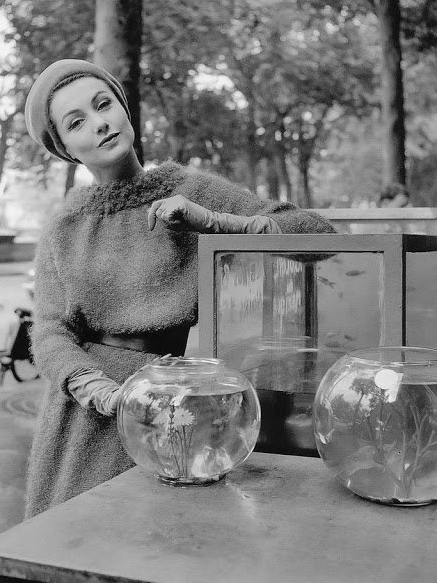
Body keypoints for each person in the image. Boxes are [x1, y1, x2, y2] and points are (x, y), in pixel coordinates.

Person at [23, 58, 336, 518]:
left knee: (165, 536)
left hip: (174, 403)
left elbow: (321, 238)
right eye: (76, 122)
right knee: (73, 537)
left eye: (103, 104)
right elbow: (50, 331)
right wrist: (97, 388)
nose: (99, 123)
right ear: (66, 149)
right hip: (82, 418)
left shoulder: (189, 190)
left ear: (124, 108)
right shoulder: (64, 228)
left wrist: (217, 222)